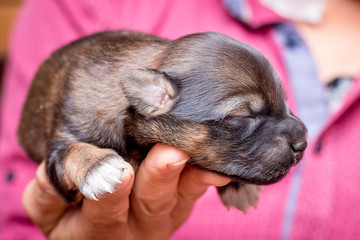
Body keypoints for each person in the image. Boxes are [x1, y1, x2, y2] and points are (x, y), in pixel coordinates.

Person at [0, 0, 359, 239]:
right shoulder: (86, 82)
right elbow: (24, 196)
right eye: (241, 117)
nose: (299, 136)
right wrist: (84, 167)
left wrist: (234, 168)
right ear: (155, 98)